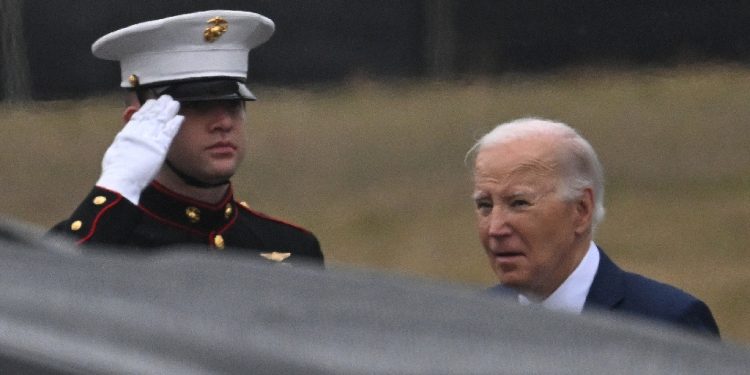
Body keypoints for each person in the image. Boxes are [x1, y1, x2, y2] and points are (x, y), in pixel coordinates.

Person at [50, 10, 323, 266]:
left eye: (233, 104)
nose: (224, 123)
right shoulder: (107, 244)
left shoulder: (293, 249)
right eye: (197, 106)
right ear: (137, 122)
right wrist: (116, 187)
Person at [469, 117, 719, 336]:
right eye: (484, 205)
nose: (495, 228)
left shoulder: (667, 325)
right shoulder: (470, 325)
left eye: (519, 203)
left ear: (581, 210)